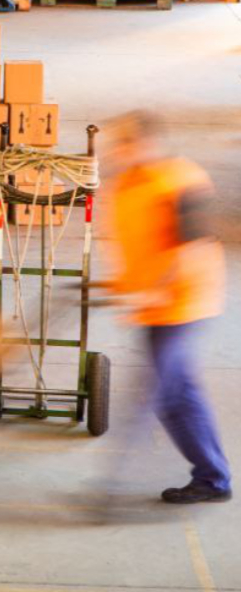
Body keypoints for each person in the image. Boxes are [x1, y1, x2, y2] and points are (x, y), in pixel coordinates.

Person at [99, 110, 231, 504]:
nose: (119, 150)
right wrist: (120, 285)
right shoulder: (125, 185)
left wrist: (157, 289)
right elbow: (136, 246)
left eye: (126, 142)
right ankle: (213, 477)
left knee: (159, 394)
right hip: (154, 307)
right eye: (117, 142)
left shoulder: (179, 178)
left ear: (149, 142)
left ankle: (108, 488)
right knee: (180, 393)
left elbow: (191, 244)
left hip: (185, 302)